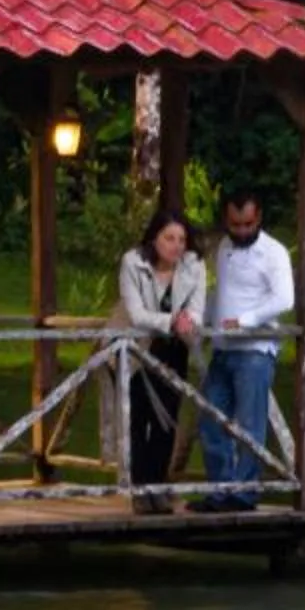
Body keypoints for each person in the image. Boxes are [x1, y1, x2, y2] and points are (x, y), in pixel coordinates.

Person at [195, 187, 293, 511]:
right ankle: (220, 490)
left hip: (254, 349)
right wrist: (203, 321)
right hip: (222, 349)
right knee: (210, 418)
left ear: (259, 217)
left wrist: (243, 321)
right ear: (226, 220)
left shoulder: (274, 252)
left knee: (250, 425)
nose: (241, 231)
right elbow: (221, 292)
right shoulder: (224, 247)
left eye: (247, 224)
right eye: (235, 224)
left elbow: (283, 299)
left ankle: (245, 493)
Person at [110, 209, 206, 515]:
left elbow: (197, 310)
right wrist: (173, 320)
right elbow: (137, 315)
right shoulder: (132, 262)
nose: (176, 245)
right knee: (139, 418)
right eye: (169, 238)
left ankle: (158, 487)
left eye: (182, 239)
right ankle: (140, 490)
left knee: (167, 420)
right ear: (155, 238)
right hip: (134, 346)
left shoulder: (194, 265)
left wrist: (188, 321)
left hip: (173, 347)